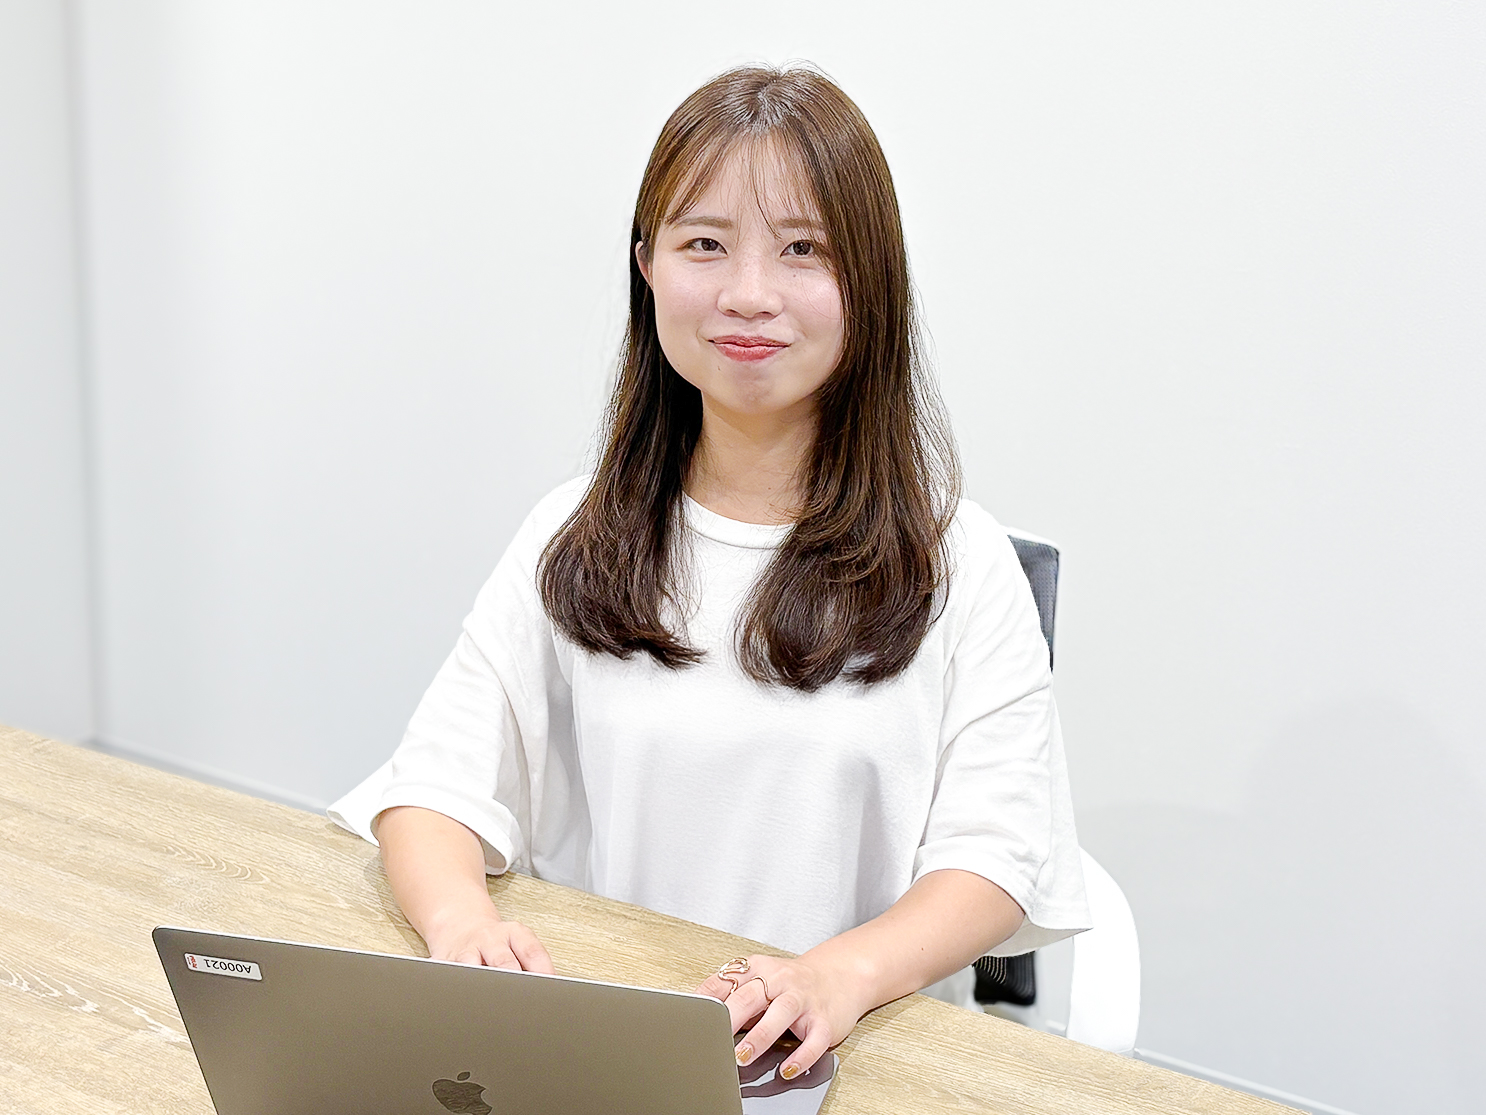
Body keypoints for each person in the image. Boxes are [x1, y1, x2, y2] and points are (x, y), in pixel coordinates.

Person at [328, 64, 1089, 1080]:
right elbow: (430, 789)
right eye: (704, 244)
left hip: (854, 1050)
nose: (748, 295)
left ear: (871, 278)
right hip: (610, 1044)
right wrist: (462, 923)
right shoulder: (577, 531)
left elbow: (995, 859)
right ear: (646, 264)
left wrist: (836, 975)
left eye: (803, 249)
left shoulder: (961, 563)